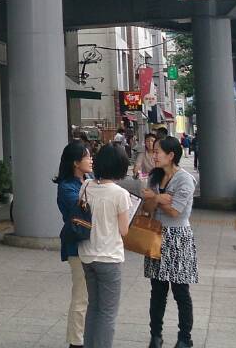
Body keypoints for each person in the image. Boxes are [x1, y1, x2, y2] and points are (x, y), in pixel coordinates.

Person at [142, 136, 198, 348]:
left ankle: (185, 337)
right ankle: (155, 334)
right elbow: (147, 209)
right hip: (155, 234)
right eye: (154, 151)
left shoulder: (185, 179)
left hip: (178, 238)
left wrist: (155, 198)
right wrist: (157, 200)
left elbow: (176, 211)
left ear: (171, 155)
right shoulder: (154, 177)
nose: (154, 155)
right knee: (157, 290)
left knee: (180, 291)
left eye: (158, 152)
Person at [80, 143, 133, 348]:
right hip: (109, 257)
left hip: (87, 254)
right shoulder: (120, 194)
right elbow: (124, 230)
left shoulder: (85, 186)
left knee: (93, 307)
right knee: (108, 313)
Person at [57, 141, 94, 348]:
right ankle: (76, 342)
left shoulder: (90, 180)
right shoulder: (67, 187)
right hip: (76, 245)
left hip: (94, 244)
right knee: (81, 295)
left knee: (90, 297)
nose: (91, 159)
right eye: (87, 156)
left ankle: (87, 337)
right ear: (75, 162)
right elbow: (83, 210)